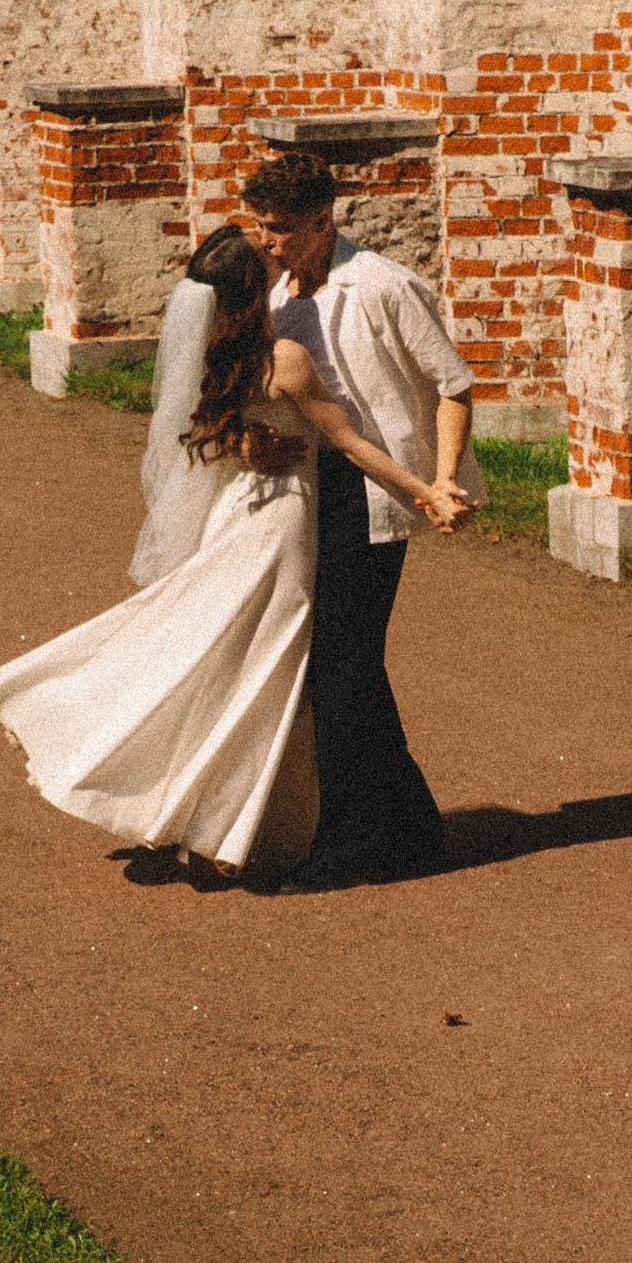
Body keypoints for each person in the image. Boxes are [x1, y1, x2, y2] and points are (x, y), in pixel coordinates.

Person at [0, 225, 460, 879]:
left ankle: (202, 805)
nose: (273, 249)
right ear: (255, 289)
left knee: (218, 648)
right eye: (264, 255)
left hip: (237, 511)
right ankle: (227, 819)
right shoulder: (285, 358)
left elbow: (197, 425)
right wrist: (425, 491)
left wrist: (241, 440)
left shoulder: (212, 351)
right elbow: (349, 442)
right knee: (262, 665)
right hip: (284, 521)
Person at [240, 146, 481, 880]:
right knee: (330, 662)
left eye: (280, 228)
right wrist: (260, 441)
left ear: (324, 221)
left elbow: (454, 385)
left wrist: (441, 481)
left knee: (342, 664)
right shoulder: (275, 294)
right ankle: (407, 825)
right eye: (259, 225)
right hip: (301, 493)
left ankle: (360, 837)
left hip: (376, 491)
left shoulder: (384, 285)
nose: (266, 241)